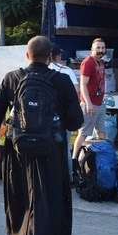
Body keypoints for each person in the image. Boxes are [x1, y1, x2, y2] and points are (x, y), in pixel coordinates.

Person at [0, 36, 83, 235]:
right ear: (51, 57)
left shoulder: (12, 78)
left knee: (20, 197)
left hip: (17, 150)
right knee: (46, 203)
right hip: (51, 151)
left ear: (27, 55)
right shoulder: (61, 81)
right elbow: (76, 121)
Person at [73, 38, 108, 161]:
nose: (100, 50)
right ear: (92, 49)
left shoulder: (101, 62)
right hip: (90, 104)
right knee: (83, 134)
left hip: (99, 103)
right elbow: (82, 84)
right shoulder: (88, 62)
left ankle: (102, 160)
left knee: (102, 133)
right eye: (98, 48)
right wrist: (88, 103)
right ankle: (74, 159)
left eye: (103, 48)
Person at [48, 43, 77, 178]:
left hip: (45, 116)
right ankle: (68, 175)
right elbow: (76, 92)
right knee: (65, 146)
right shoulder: (66, 71)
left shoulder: (40, 71)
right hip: (62, 116)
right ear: (58, 57)